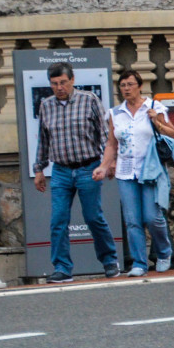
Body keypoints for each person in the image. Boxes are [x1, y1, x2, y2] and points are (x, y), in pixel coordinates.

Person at [32, 61, 121, 283]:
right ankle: (62, 267)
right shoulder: (46, 105)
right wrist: (39, 170)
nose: (59, 87)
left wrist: (109, 162)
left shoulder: (89, 100)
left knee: (93, 217)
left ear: (72, 80)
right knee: (58, 219)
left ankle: (109, 260)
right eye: (54, 84)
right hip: (61, 170)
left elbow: (104, 134)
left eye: (63, 82)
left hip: (88, 167)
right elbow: (43, 140)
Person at [95, 70, 174, 277]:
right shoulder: (115, 113)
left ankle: (164, 252)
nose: (126, 88)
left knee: (152, 217)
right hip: (125, 171)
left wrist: (156, 121)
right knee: (132, 220)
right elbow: (111, 144)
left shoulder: (153, 107)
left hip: (150, 169)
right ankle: (139, 262)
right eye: (123, 85)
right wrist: (104, 166)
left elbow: (172, 133)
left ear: (139, 86)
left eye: (130, 84)